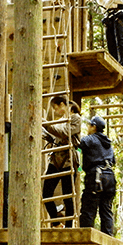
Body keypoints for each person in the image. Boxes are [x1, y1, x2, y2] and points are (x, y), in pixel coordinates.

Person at [42, 97, 81, 227]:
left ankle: (69, 226)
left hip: (68, 160)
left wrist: (46, 124)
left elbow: (65, 133)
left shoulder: (75, 119)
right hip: (55, 159)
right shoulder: (60, 121)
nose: (56, 111)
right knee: (46, 193)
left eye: (56, 107)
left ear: (62, 104)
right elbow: (54, 136)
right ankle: (56, 223)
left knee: (68, 195)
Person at [79, 116, 117, 235]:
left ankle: (84, 239)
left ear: (94, 127)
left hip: (96, 177)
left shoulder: (90, 139)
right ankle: (108, 238)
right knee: (106, 210)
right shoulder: (108, 143)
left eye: (89, 125)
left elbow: (77, 143)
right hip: (110, 177)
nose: (87, 128)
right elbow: (113, 161)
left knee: (89, 208)